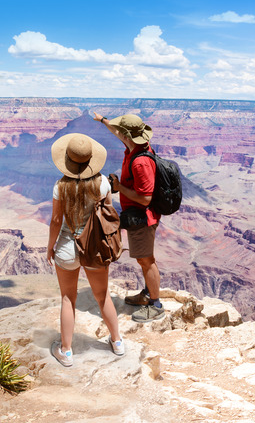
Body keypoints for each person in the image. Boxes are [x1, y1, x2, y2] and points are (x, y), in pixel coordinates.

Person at [47, 133, 125, 367]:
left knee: (68, 298)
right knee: (102, 297)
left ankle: (66, 351)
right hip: (95, 247)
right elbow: (107, 215)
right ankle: (117, 342)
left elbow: (56, 220)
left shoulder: (60, 186)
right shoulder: (103, 183)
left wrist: (50, 248)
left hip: (67, 247)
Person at [94, 112, 165, 323]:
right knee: (143, 259)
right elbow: (118, 133)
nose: (120, 135)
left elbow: (145, 198)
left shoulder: (139, 162)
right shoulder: (136, 147)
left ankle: (155, 305)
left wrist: (118, 187)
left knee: (146, 260)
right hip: (137, 216)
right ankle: (147, 294)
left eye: (123, 133)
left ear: (128, 135)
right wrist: (103, 120)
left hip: (144, 218)